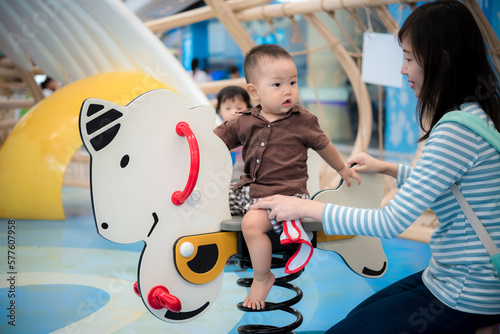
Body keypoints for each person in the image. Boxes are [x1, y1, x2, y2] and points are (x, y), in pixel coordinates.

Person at [253, 1, 500, 332]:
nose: (403, 69)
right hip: (449, 275)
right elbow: (453, 183)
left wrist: (305, 206)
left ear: (441, 61)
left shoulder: (455, 130)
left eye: (410, 59)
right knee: (354, 318)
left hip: (466, 292)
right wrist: (389, 168)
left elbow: (390, 222)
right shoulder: (477, 115)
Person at [214, 44, 360, 310]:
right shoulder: (244, 121)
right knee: (211, 204)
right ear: (254, 91)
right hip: (249, 190)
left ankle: (262, 276)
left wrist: (341, 168)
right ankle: (218, 257)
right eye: (278, 84)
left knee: (252, 224)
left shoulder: (303, 120)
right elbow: (214, 141)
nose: (288, 90)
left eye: (293, 82)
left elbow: (323, 145)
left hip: (286, 196)